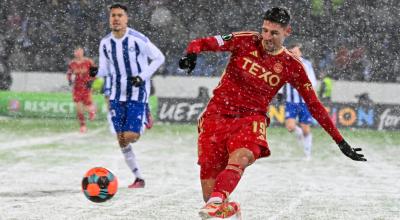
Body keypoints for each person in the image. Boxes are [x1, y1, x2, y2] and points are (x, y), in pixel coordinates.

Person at [179, 7, 366, 219]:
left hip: (251, 119)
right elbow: (202, 42)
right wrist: (191, 54)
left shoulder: (292, 66)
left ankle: (216, 202)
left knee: (241, 158)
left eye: (274, 33)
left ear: (287, 32)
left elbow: (315, 105)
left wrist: (340, 141)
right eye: (265, 30)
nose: (266, 37)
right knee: (209, 194)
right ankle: (227, 207)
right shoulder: (245, 40)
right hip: (216, 116)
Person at [90, 3, 165, 188]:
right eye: (113, 15)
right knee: (121, 139)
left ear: (126, 18)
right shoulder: (105, 42)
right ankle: (138, 177)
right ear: (109, 19)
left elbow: (159, 57)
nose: (116, 18)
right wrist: (95, 72)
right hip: (116, 95)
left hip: (137, 94)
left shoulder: (137, 39)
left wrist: (142, 76)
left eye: (119, 15)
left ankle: (145, 115)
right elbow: (106, 69)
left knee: (131, 135)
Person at [282, 42, 317, 160]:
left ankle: (307, 154)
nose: (294, 54)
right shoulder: (284, 64)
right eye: (292, 52)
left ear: (300, 53)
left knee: (306, 128)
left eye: (296, 52)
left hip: (304, 102)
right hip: (290, 102)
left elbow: (312, 82)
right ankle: (299, 133)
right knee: (290, 127)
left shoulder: (307, 64)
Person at [66, 47, 96, 133]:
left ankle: (92, 111)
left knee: (87, 105)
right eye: (76, 52)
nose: (78, 53)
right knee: (78, 107)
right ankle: (83, 126)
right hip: (77, 88)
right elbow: (69, 73)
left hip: (86, 87)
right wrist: (69, 80)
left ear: (83, 52)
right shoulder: (72, 63)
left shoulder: (88, 61)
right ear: (74, 53)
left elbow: (94, 71)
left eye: (80, 51)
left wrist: (91, 80)